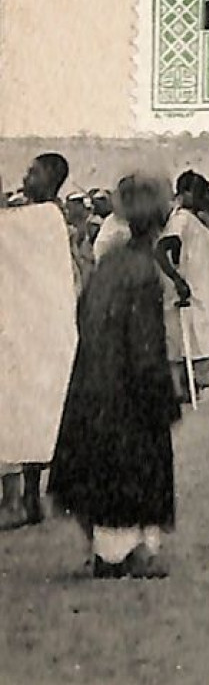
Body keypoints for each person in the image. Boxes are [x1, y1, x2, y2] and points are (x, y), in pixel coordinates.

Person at [49, 173, 182, 579]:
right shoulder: (143, 272)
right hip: (127, 392)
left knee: (100, 472)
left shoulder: (110, 263)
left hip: (93, 383)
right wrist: (159, 395)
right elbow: (145, 347)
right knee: (134, 469)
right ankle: (127, 555)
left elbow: (83, 315)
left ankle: (109, 552)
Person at [0, 153, 78, 531]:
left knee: (15, 409)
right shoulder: (43, 217)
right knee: (30, 413)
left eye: (34, 171)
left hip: (27, 330)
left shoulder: (42, 218)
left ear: (51, 178)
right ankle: (30, 500)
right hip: (36, 329)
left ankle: (14, 502)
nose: (26, 176)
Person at [155, 172, 209, 404]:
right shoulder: (181, 219)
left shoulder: (197, 220)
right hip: (192, 291)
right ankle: (182, 387)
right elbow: (161, 250)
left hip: (208, 290)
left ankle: (188, 384)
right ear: (187, 194)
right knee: (191, 343)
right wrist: (177, 280)